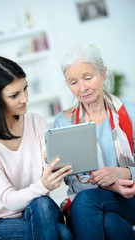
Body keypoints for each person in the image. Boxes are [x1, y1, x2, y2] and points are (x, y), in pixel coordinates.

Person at [0, 56, 74, 240]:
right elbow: (9, 200)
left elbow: (48, 178)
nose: (25, 99)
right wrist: (44, 184)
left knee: (42, 203)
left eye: (25, 88)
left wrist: (50, 164)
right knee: (63, 234)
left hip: (39, 211)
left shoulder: (36, 122)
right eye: (14, 95)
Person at [54, 44, 135, 240]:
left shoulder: (131, 112)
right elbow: (70, 177)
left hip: (130, 196)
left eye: (88, 78)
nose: (82, 88)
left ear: (104, 73)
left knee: (84, 202)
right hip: (91, 200)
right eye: (73, 82)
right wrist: (108, 185)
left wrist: (124, 173)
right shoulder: (63, 122)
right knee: (109, 223)